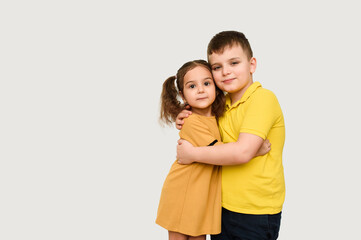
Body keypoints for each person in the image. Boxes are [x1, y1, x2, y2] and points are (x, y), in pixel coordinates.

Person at [176, 31, 286, 240]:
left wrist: (192, 154)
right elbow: (205, 132)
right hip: (221, 206)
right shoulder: (220, 104)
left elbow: (242, 152)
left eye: (234, 63)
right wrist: (184, 115)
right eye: (217, 67)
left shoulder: (263, 99)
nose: (226, 72)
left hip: (256, 212)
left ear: (252, 65)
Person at [156, 59, 271, 240]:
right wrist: (253, 150)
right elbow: (217, 149)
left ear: (216, 88)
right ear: (183, 94)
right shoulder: (191, 121)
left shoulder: (217, 117)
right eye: (192, 86)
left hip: (202, 195)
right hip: (184, 191)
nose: (201, 90)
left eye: (207, 83)